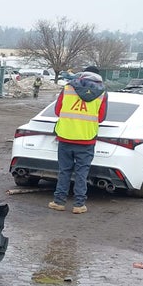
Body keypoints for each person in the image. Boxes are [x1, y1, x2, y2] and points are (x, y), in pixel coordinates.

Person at [48, 66, 108, 214]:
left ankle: (59, 202)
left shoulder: (68, 88)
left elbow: (57, 111)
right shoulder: (102, 93)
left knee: (64, 171)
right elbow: (101, 117)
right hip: (86, 139)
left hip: (65, 136)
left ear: (83, 75)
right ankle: (79, 205)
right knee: (82, 173)